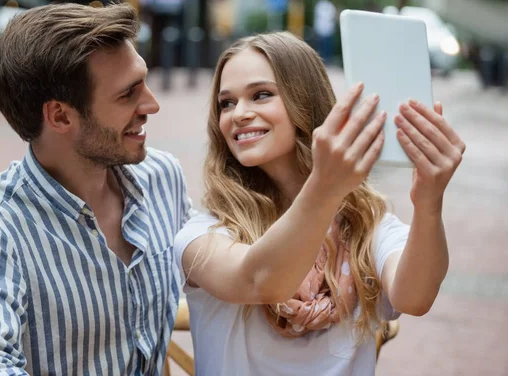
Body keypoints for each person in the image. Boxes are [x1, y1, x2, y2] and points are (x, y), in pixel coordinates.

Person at [174, 31, 465, 375]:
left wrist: (429, 202)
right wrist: (325, 186)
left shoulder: (364, 222)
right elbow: (261, 280)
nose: (239, 114)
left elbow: (414, 298)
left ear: (306, 102)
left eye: (261, 95)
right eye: (227, 103)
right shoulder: (203, 233)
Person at [0, 3, 193, 375]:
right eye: (128, 94)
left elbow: (208, 255)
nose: (151, 104)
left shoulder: (161, 176)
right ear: (60, 116)